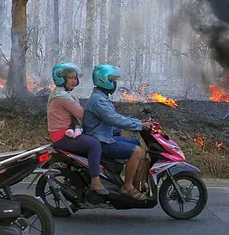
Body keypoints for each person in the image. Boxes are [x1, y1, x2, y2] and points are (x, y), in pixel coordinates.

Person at [83, 63, 153, 200]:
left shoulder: (101, 97)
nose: (114, 83)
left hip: (105, 136)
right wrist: (139, 125)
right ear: (103, 80)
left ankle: (131, 180)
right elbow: (114, 119)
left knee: (136, 143)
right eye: (112, 80)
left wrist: (138, 122)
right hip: (101, 140)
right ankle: (127, 187)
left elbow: (115, 117)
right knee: (136, 151)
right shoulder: (98, 100)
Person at [47, 62, 108, 195]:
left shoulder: (62, 94)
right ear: (61, 79)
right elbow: (80, 113)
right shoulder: (62, 97)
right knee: (95, 145)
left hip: (65, 132)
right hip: (62, 136)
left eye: (75, 78)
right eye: (70, 78)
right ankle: (95, 181)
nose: (74, 81)